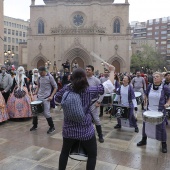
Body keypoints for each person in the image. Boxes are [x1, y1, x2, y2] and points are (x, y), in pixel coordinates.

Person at [55, 65, 115, 170]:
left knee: (64, 153)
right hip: (85, 130)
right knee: (92, 155)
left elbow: (56, 99)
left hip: (69, 129)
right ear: (84, 78)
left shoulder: (67, 88)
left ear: (72, 77)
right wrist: (112, 71)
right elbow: (108, 85)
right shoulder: (89, 91)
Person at [137, 72, 170, 153]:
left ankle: (163, 144)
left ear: (161, 78)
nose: (155, 78)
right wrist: (145, 100)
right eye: (154, 77)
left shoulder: (165, 87)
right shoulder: (149, 86)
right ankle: (144, 140)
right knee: (146, 125)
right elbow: (146, 94)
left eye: (157, 77)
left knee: (161, 128)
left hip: (160, 111)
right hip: (149, 109)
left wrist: (168, 103)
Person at [30, 66, 57, 134]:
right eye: (40, 73)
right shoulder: (39, 78)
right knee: (35, 112)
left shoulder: (50, 77)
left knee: (46, 113)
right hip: (39, 97)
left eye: (41, 72)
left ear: (44, 71)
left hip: (46, 97)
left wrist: (51, 96)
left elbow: (55, 87)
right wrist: (36, 92)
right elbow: (39, 86)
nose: (40, 74)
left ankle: (52, 127)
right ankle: (35, 125)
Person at [86, 65, 104, 143]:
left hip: (94, 103)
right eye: (86, 69)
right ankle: (87, 134)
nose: (87, 71)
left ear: (92, 71)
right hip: (85, 103)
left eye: (89, 70)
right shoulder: (83, 80)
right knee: (85, 119)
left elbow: (102, 92)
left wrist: (99, 101)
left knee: (96, 119)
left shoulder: (96, 80)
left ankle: (100, 135)